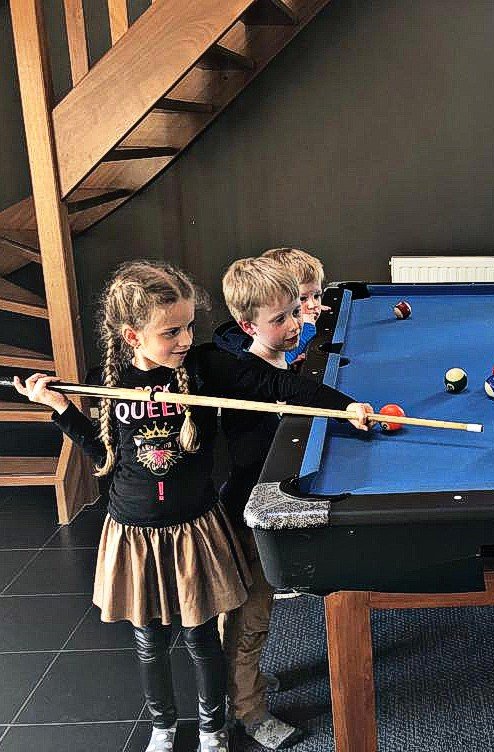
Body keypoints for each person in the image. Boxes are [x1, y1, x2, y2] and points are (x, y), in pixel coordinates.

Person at [13, 260, 372, 752]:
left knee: (201, 636)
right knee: (150, 642)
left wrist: (342, 405)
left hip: (194, 527)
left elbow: (278, 385)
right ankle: (162, 728)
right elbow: (104, 456)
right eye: (171, 332)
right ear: (132, 336)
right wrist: (62, 411)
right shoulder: (108, 381)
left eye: (187, 327)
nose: (185, 339)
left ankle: (212, 729)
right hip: (134, 532)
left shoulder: (203, 368)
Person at [213, 256, 327, 748]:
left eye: (296, 311)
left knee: (255, 617)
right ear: (248, 326)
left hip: (258, 504)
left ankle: (246, 682)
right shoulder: (247, 378)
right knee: (251, 618)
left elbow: (291, 376)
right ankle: (249, 711)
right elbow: (254, 447)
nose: (295, 324)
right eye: (281, 318)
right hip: (247, 512)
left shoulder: (277, 360)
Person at [260, 247, 327, 365]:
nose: (313, 305)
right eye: (302, 299)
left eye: (316, 296)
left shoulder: (311, 307)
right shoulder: (271, 330)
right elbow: (284, 360)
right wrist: (308, 327)